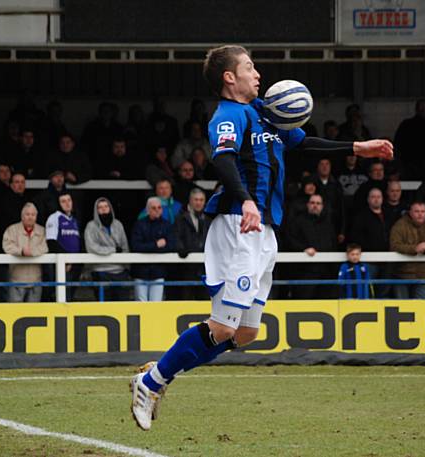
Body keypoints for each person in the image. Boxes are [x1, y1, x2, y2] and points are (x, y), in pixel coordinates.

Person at [129, 44, 393, 431]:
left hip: (264, 231)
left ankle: (161, 370)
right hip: (239, 225)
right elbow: (222, 158)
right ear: (229, 77)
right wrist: (248, 201)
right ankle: (151, 383)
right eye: (250, 67)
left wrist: (358, 147)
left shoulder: (263, 114)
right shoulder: (229, 115)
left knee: (246, 333)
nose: (258, 74)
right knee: (221, 327)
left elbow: (302, 143)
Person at [390, 201, 425, 299]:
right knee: (402, 309)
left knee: (421, 308)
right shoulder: (400, 224)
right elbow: (394, 245)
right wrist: (414, 249)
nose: (420, 214)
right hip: (403, 274)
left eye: (423, 211)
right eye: (417, 211)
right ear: (410, 212)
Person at [286, 193, 336, 299]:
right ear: (307, 205)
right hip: (304, 272)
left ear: (322, 206)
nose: (315, 205)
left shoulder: (328, 223)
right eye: (312, 203)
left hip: (325, 271)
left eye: (318, 203)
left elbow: (333, 243)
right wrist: (303, 249)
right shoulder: (298, 221)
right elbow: (290, 240)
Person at [130, 196, 177, 302]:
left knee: (156, 304)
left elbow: (171, 246)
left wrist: (148, 247)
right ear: (148, 210)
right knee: (141, 305)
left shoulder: (167, 225)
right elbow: (136, 246)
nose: (157, 210)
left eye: (159, 207)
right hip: (140, 272)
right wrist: (156, 245)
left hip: (158, 272)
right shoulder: (139, 225)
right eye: (153, 208)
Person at [84, 197, 131, 301]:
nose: (104, 209)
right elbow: (91, 247)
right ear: (96, 211)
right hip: (101, 271)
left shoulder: (118, 224)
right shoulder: (91, 226)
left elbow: (125, 246)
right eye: (100, 207)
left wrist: (127, 267)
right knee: (105, 306)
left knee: (123, 306)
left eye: (106, 206)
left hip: (120, 272)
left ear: (110, 208)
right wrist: (113, 250)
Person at [2, 203, 48, 302]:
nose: (30, 217)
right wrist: (21, 251)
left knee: (33, 314)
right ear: (22, 216)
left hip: (36, 280)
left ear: (36, 216)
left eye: (33, 214)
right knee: (15, 313)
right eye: (27, 214)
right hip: (16, 279)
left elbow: (46, 246)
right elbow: (7, 246)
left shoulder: (42, 231)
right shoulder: (12, 229)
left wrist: (32, 252)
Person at [174, 188, 212, 300]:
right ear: (190, 201)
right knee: (187, 298)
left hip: (205, 268)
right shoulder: (181, 218)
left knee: (204, 300)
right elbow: (177, 237)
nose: (198, 202)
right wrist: (182, 250)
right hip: (186, 267)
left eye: (201, 200)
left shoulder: (209, 219)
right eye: (196, 200)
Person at [45, 191, 82, 301]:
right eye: (63, 201)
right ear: (58, 203)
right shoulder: (54, 217)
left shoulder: (75, 220)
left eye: (69, 200)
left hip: (75, 264)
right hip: (63, 264)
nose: (67, 203)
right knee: (62, 295)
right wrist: (66, 260)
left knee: (71, 294)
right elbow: (51, 242)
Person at [394, 99, 425, 179]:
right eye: (421, 109)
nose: (423, 111)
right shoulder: (406, 125)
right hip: (408, 165)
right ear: (416, 109)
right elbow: (398, 145)